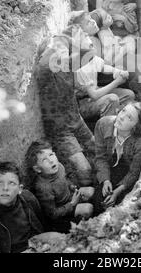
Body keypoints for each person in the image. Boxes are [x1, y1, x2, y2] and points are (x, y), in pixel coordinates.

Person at [36, 25, 97, 187]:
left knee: (98, 150)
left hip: (77, 121)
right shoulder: (46, 74)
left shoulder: (67, 66)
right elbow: (43, 64)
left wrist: (68, 40)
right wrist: (56, 45)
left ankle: (97, 181)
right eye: (57, 52)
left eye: (64, 51)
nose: (62, 55)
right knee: (84, 170)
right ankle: (84, 196)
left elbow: (90, 54)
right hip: (60, 131)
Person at [0, 162, 44, 253]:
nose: (5, 188)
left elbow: (41, 228)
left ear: (20, 189)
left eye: (11, 183)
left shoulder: (29, 199)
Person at [93, 102, 141, 215]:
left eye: (129, 117)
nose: (121, 116)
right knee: (99, 201)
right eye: (123, 110)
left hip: (126, 168)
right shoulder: (103, 124)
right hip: (110, 164)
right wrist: (105, 180)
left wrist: (117, 192)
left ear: (136, 126)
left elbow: (134, 172)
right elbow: (100, 158)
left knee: (117, 205)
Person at [25, 141, 94, 233]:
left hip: (70, 199)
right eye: (44, 160)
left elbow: (65, 180)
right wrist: (72, 204)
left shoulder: (59, 167)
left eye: (51, 155)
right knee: (88, 209)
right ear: (37, 169)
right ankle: (80, 227)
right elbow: (52, 214)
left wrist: (72, 187)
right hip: (61, 214)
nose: (51, 160)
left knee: (90, 191)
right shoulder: (43, 188)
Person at [74, 43, 135, 121]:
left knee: (129, 95)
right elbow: (94, 95)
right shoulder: (81, 70)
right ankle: (107, 125)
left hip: (96, 92)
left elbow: (103, 67)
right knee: (112, 99)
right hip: (83, 102)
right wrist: (116, 82)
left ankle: (119, 115)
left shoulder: (91, 57)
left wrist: (117, 71)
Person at [99, 0, 138, 70]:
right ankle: (108, 60)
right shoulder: (106, 4)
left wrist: (124, 19)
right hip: (111, 36)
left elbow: (132, 30)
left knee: (129, 44)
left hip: (125, 36)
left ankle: (109, 63)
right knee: (103, 32)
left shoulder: (127, 9)